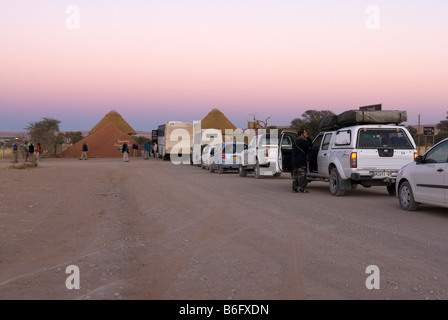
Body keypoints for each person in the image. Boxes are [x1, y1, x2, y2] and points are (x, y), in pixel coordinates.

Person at [291, 129, 312, 193]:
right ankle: (302, 188)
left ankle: (294, 188)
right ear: (301, 134)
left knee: (295, 175)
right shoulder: (302, 142)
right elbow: (310, 145)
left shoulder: (295, 141)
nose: (306, 134)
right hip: (301, 161)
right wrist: (307, 137)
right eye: (305, 133)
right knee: (302, 175)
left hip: (294, 161)